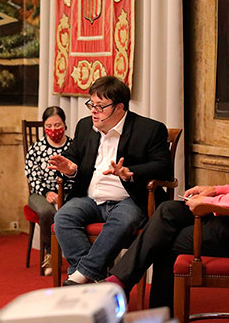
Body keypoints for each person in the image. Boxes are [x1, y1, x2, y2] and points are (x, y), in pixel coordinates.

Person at [105, 62, 229, 312]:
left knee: (169, 243)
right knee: (168, 211)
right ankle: (121, 282)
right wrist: (215, 191)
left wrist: (209, 205)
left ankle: (150, 307)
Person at [48, 75, 173, 285]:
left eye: (100, 106)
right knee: (63, 217)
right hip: (90, 199)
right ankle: (92, 277)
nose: (94, 111)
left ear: (119, 108)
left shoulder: (149, 129)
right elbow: (72, 157)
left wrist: (130, 172)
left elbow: (164, 167)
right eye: (92, 105)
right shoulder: (85, 126)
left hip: (129, 199)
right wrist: (70, 169)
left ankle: (79, 276)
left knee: (123, 221)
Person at [25, 106, 73, 275]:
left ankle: (78, 259)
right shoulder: (36, 149)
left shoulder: (73, 147)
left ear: (65, 125)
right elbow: (32, 177)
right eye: (49, 126)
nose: (54, 130)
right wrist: (47, 192)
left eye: (57, 125)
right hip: (41, 193)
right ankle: (50, 254)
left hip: (68, 192)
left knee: (76, 210)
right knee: (47, 212)